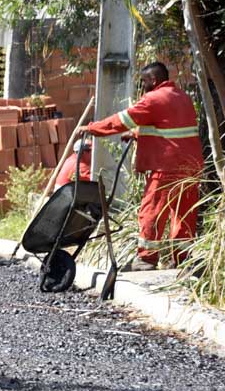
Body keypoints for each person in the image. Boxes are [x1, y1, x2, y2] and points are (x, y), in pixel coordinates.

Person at [76, 61, 203, 269]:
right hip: (191, 167)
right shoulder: (182, 97)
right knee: (183, 214)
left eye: (144, 81)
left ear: (153, 80)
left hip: (166, 168)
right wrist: (137, 134)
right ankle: (181, 259)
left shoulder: (153, 99)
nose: (143, 85)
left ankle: (146, 259)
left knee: (151, 211)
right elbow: (168, 127)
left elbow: (121, 120)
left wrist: (92, 128)